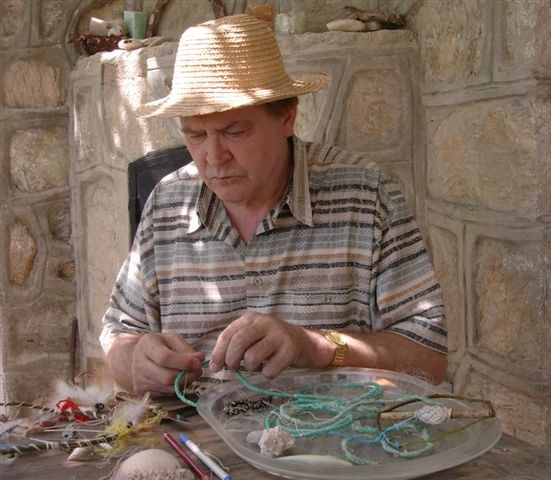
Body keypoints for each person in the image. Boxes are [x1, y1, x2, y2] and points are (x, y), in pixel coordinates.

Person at [100, 14, 447, 396]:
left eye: (234, 131)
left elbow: (429, 357)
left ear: (287, 117)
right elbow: (118, 335)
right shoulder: (167, 205)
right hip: (194, 428)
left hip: (327, 427)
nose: (213, 157)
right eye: (195, 135)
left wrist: (315, 347)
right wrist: (134, 361)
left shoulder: (366, 196)